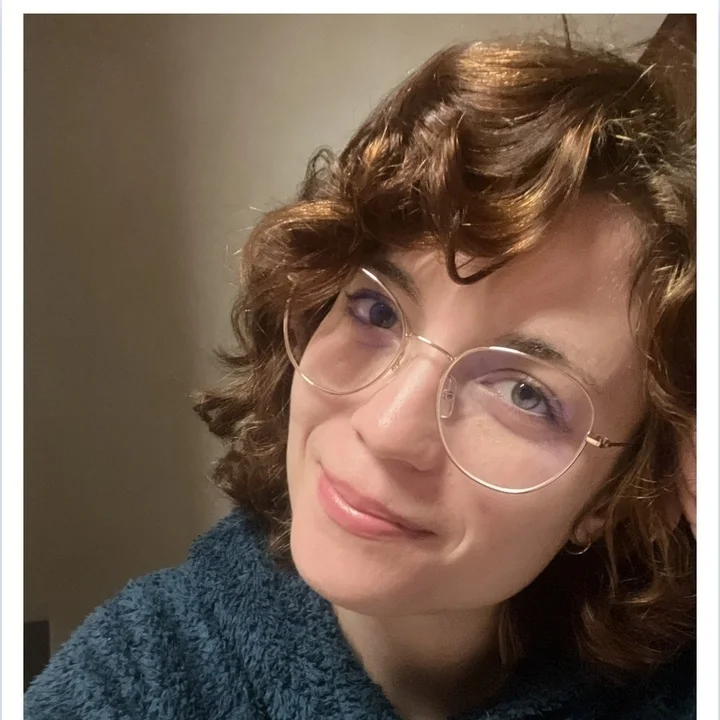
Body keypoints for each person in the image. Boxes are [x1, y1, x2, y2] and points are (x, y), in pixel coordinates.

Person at [25, 39, 696, 720]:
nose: (386, 428)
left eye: (525, 393)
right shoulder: (133, 681)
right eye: (377, 310)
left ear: (615, 495)